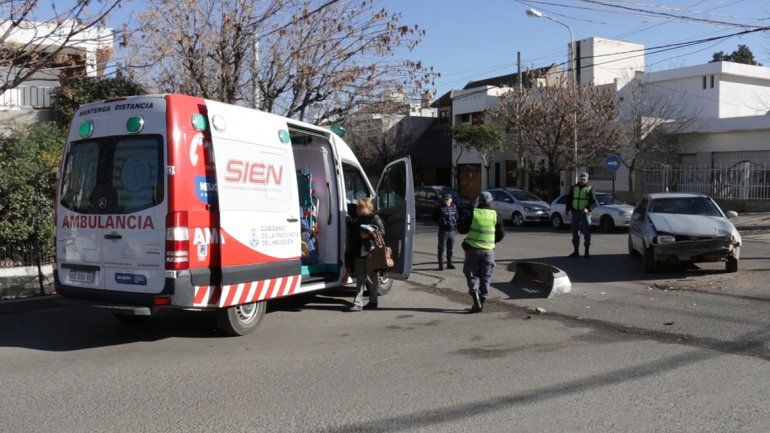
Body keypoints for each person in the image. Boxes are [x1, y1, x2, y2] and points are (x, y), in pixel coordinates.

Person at [457, 191, 505, 313]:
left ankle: (476, 299)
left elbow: (461, 229)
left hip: (473, 250)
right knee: (486, 276)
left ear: (478, 200)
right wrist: (490, 242)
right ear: (490, 202)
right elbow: (501, 234)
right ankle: (482, 302)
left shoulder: (474, 213)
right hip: (489, 251)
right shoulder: (495, 215)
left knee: (471, 273)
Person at [346, 196, 385, 312]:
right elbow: (354, 231)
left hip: (371, 254)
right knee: (360, 280)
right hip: (359, 253)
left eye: (359, 207)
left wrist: (369, 235)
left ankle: (373, 302)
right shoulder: (359, 218)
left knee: (372, 279)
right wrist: (349, 222)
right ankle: (358, 303)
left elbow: (382, 232)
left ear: (365, 207)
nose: (357, 209)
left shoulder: (374, 218)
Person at [566, 172, 597, 258]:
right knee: (575, 232)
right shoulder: (573, 188)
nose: (583, 180)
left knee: (587, 232)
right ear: (579, 179)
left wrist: (588, 208)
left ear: (587, 180)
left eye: (584, 179)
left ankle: (587, 251)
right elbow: (569, 199)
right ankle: (576, 251)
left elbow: (594, 202)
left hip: (585, 213)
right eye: (581, 179)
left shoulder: (589, 188)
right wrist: (567, 209)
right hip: (575, 212)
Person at [433, 193, 457, 270]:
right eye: (444, 199)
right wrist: (440, 222)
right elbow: (434, 217)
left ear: (451, 200)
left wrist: (454, 224)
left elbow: (456, 217)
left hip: (452, 231)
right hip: (443, 231)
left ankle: (449, 264)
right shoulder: (439, 207)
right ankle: (441, 265)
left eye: (447, 199)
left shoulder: (454, 207)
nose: (446, 201)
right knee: (441, 249)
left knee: (450, 249)